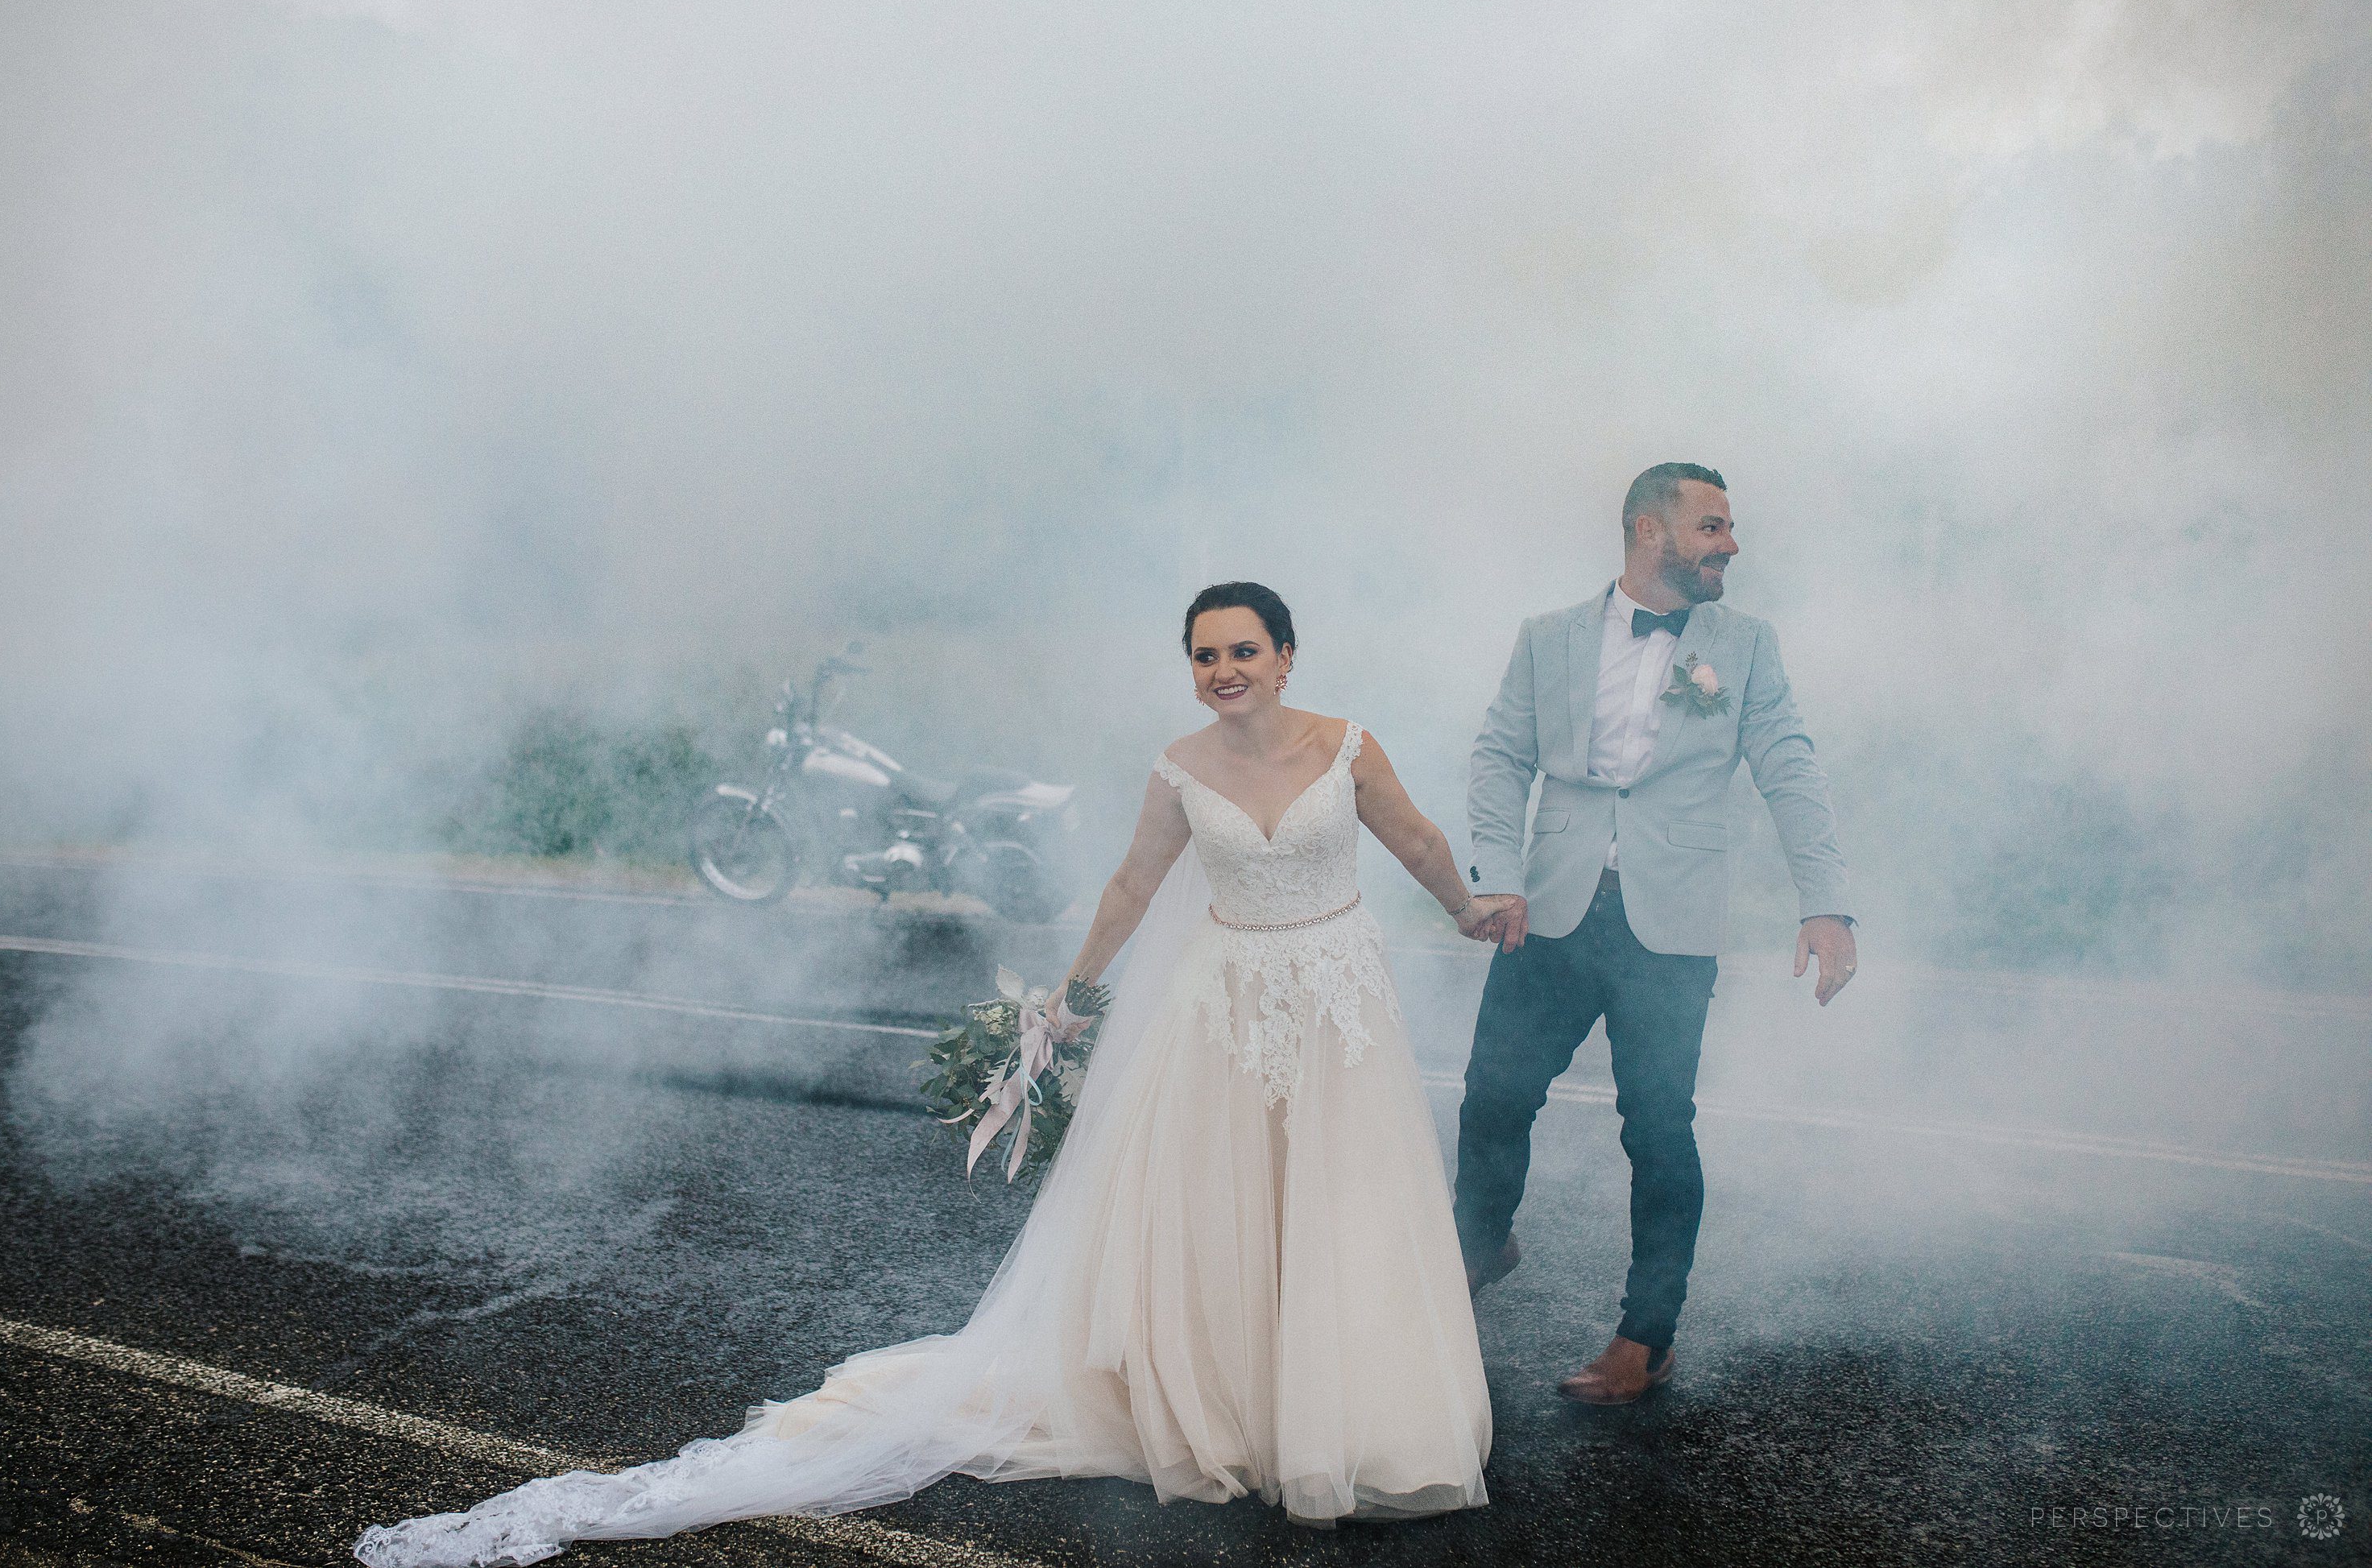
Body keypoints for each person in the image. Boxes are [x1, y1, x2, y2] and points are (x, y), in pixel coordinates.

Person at [356, 581, 1501, 1566]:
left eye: (1243, 649)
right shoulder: (1178, 768)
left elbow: (1416, 841)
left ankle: (1347, 1414)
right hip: (1221, 1004)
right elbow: (1130, 888)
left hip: (1337, 1001)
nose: (1223, 669)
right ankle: (1236, 1410)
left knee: (1340, 1202)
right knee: (1224, 1211)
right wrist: (1068, 995)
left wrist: (1469, 907)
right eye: (1204, 653)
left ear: (1286, 654)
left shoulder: (1347, 744)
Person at [1454, 462, 1857, 1405]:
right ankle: (1479, 1244)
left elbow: (1788, 766)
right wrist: (1498, 877)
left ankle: (1647, 1335)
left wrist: (1824, 901)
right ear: (1648, 531)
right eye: (1711, 526)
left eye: (1728, 528)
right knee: (1491, 1098)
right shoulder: (1546, 637)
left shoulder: (1744, 645)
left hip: (1669, 926)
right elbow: (1499, 757)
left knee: (1660, 1131)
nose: (1730, 544)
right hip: (1547, 904)